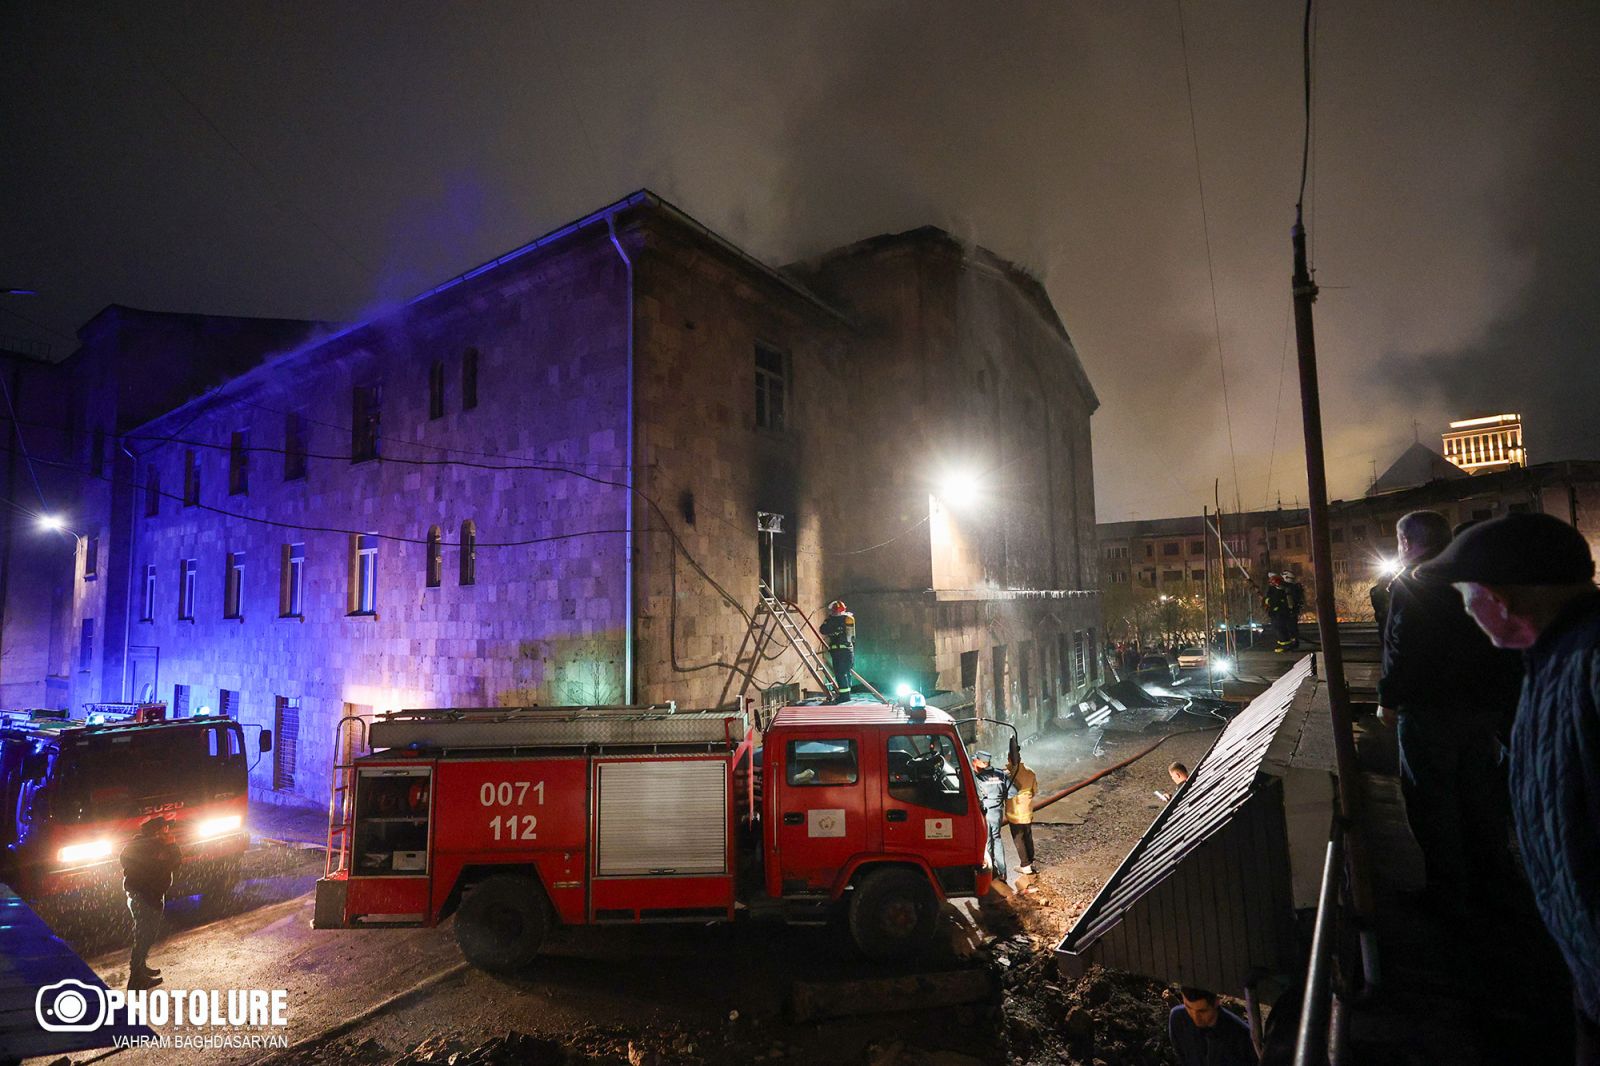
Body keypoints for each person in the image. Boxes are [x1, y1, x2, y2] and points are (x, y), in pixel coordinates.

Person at [1415, 512, 1600, 1063]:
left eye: (1466, 594)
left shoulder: (1587, 663)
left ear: (1498, 599)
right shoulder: (1550, 660)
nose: (1466, 609)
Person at [1378, 510, 1523, 917]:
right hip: (1480, 709)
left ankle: (1448, 896)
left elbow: (1403, 646)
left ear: (1407, 542)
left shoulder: (1414, 581)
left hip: (1428, 710)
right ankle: (1493, 885)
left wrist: (1389, 697)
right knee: (1480, 797)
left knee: (1432, 803)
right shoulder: (1475, 576)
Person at [120, 815, 181, 990]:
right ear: (155, 831)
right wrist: (169, 847)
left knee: (147, 934)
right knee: (144, 934)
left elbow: (173, 864)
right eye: (164, 828)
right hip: (143, 896)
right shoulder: (145, 846)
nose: (168, 831)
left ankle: (140, 967)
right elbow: (170, 864)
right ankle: (136, 978)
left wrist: (169, 847)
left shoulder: (153, 845)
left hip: (151, 894)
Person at [1168, 987, 1259, 1066]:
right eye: (1188, 1007)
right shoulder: (1179, 1019)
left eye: (1202, 1011)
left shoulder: (1243, 1037)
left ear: (1216, 1002)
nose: (1195, 1017)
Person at [970, 750, 1009, 886]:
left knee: (986, 841)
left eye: (975, 760)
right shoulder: (1000, 773)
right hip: (998, 811)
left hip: (985, 812)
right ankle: (1003, 872)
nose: (973, 762)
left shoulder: (979, 778)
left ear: (981, 762)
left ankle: (991, 872)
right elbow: (1012, 792)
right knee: (997, 838)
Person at [1005, 754, 1038, 882]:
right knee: (1028, 836)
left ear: (1009, 759)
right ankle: (1030, 860)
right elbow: (1034, 791)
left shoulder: (1008, 774)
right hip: (1027, 811)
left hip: (1014, 813)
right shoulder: (1030, 772)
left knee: (1019, 839)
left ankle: (1025, 865)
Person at [819, 599, 855, 700]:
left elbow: (823, 629)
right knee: (846, 672)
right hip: (849, 651)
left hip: (839, 652)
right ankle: (847, 694)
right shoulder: (848, 619)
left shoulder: (832, 620)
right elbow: (852, 637)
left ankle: (844, 696)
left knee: (840, 674)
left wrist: (832, 626)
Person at [1262, 574, 1298, 653]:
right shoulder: (1277, 589)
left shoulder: (1282, 590)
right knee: (1279, 629)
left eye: (1273, 581)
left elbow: (1274, 601)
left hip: (1280, 614)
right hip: (1278, 614)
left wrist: (1268, 601)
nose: (1271, 583)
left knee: (1280, 629)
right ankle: (1283, 643)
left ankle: (1286, 645)